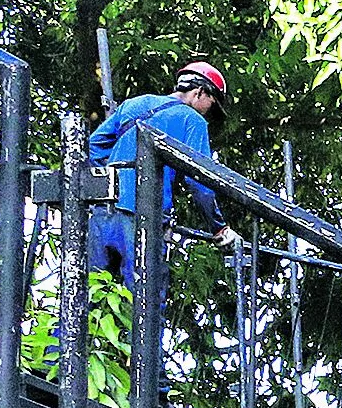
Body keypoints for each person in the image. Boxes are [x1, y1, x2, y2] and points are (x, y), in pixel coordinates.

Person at [87, 61, 238, 311]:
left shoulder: (135, 104)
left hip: (102, 212)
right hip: (143, 220)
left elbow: (93, 147)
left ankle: (54, 351)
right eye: (211, 104)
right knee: (145, 306)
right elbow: (199, 182)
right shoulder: (192, 121)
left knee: (85, 297)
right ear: (199, 92)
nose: (209, 113)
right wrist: (218, 227)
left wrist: (113, 180)